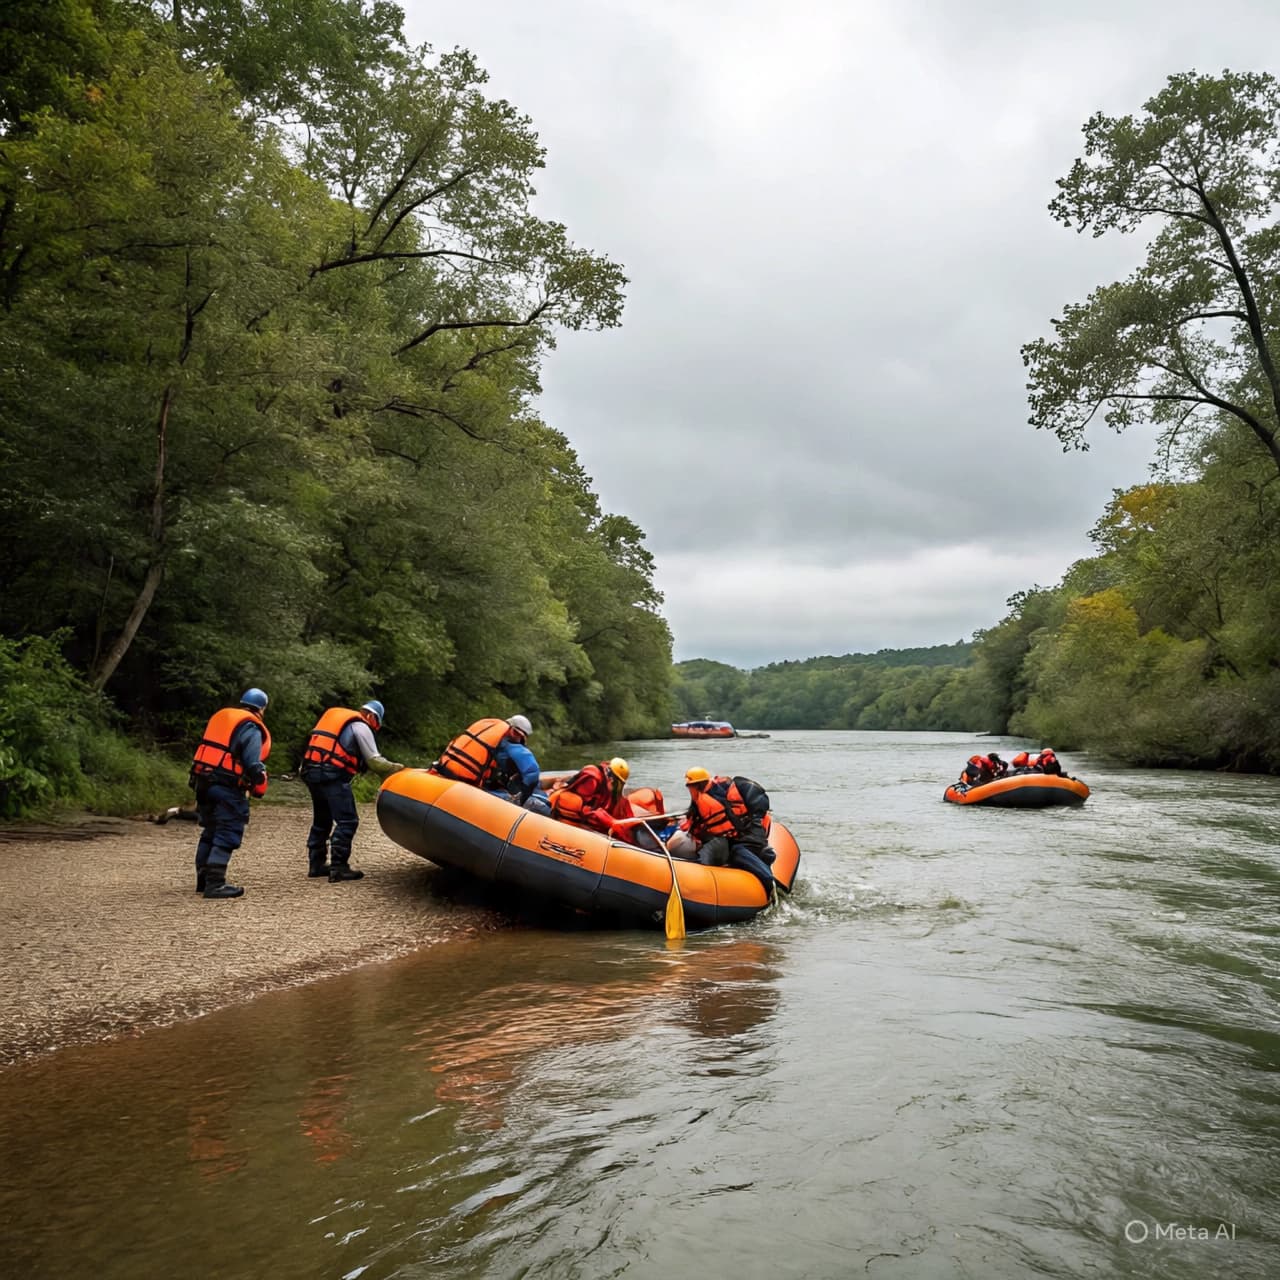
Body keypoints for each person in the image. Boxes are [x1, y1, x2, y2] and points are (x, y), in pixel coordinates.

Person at [300, 700, 405, 882]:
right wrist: (399, 769)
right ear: (372, 716)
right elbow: (375, 762)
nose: (374, 728)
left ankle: (316, 864)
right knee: (348, 820)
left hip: (311, 772)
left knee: (322, 819)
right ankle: (339, 867)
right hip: (332, 775)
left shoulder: (337, 723)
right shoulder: (360, 725)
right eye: (376, 723)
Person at [189, 687, 271, 899]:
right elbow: (253, 762)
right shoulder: (251, 726)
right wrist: (259, 780)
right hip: (226, 785)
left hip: (202, 781)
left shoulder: (222, 717)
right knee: (228, 829)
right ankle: (215, 884)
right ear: (261, 709)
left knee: (210, 828)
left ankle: (203, 879)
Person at [668, 767, 776, 896]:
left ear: (695, 785)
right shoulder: (712, 792)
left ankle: (768, 880)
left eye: (690, 786)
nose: (689, 789)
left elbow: (703, 825)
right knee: (727, 849)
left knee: (735, 853)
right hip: (739, 836)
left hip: (745, 837)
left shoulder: (713, 799)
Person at [430, 715, 539, 799]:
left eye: (521, 737)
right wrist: (523, 797)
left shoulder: (487, 725)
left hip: (444, 770)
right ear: (510, 728)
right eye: (516, 733)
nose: (517, 739)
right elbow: (532, 772)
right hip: (465, 783)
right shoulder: (507, 743)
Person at [549, 757, 634, 837]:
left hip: (587, 808)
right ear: (611, 778)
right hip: (570, 811)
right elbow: (584, 808)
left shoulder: (607, 783)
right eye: (618, 784)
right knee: (574, 802)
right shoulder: (592, 779)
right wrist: (607, 820)